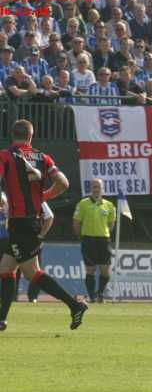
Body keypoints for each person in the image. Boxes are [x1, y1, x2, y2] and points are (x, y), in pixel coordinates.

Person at [0, 119, 87, 331]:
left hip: (22, 222)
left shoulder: (5, 156)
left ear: (13, 135)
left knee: (31, 272)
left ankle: (74, 305)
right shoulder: (43, 157)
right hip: (30, 220)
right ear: (31, 136)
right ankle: (1, 319)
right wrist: (43, 197)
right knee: (6, 268)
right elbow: (64, 183)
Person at [73, 179, 116, 303]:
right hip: (88, 240)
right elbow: (76, 222)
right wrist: (82, 237)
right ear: (91, 188)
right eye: (94, 187)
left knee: (105, 270)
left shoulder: (109, 205)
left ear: (102, 189)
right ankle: (92, 295)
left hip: (104, 240)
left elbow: (111, 224)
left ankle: (100, 293)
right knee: (90, 269)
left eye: (98, 187)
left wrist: (104, 233)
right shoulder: (83, 203)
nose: (96, 189)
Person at [21, 200, 54, 303]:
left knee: (35, 269)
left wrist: (41, 235)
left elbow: (50, 217)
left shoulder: (39, 199)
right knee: (13, 268)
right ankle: (11, 297)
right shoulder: (14, 196)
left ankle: (33, 296)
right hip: (17, 238)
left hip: (34, 240)